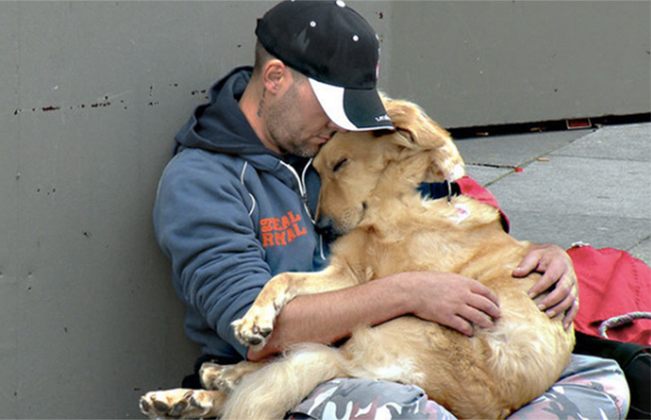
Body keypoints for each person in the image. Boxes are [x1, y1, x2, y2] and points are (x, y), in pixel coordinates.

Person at [152, 1, 630, 418]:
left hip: (421, 346)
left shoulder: (332, 133)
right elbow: (261, 336)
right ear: (276, 78)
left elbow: (455, 204)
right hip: (299, 372)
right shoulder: (202, 181)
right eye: (333, 108)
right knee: (401, 412)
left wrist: (543, 258)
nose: (340, 125)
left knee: (605, 379)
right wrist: (408, 293)